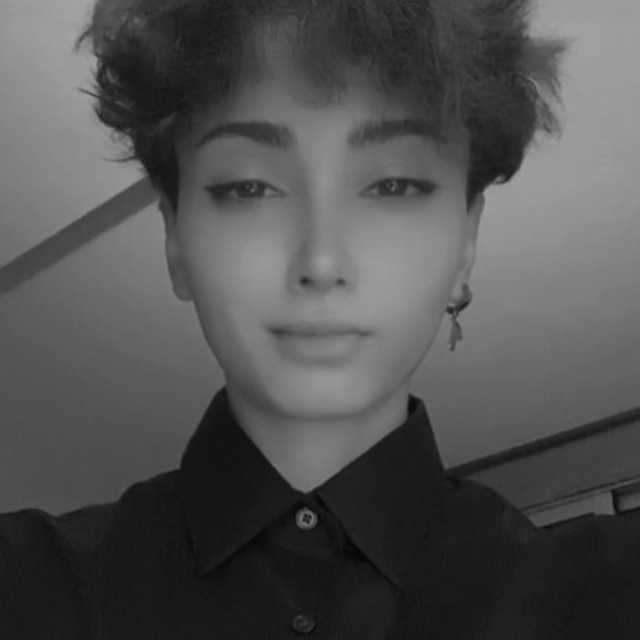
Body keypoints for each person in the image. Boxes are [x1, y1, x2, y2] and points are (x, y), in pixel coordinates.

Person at [1, 0, 638, 637]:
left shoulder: (606, 592)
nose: (322, 261)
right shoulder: (25, 585)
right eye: (249, 186)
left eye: (394, 185)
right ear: (175, 238)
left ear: (466, 242)